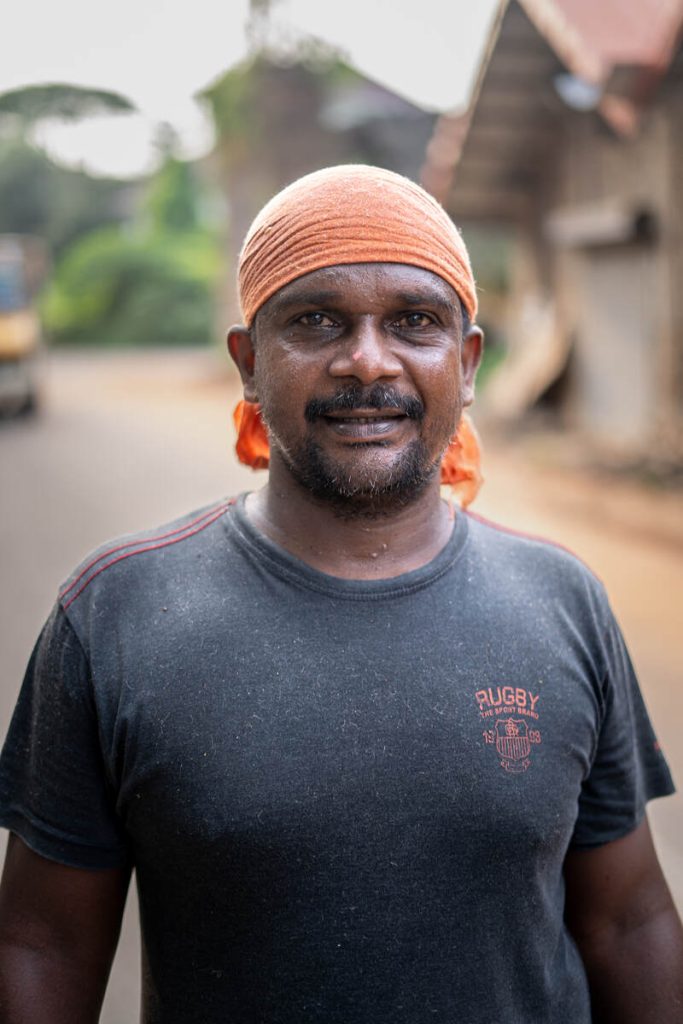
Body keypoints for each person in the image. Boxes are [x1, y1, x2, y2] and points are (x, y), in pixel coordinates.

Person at [0, 165, 681, 1024]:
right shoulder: (115, 615)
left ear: (466, 364)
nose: (366, 358)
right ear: (249, 362)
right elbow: (41, 945)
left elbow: (628, 920)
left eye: (414, 322)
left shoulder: (562, 600)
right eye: (315, 320)